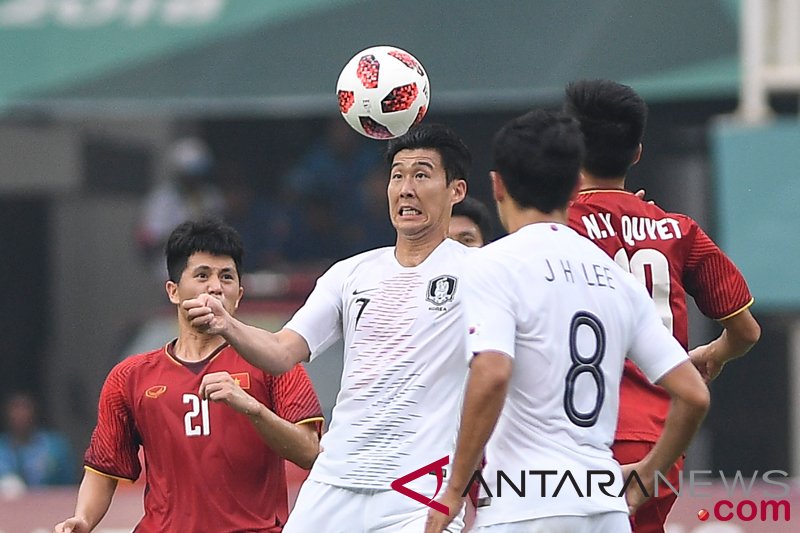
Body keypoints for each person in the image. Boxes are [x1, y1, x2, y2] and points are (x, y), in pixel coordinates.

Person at [424, 110, 710, 533]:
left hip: (525, 505)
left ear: (497, 184)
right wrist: (650, 472)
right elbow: (693, 394)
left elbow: (492, 373)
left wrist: (453, 489)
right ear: (576, 184)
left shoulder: (493, 265)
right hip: (603, 506)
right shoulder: (615, 278)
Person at [183, 124, 472, 532]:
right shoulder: (350, 273)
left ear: (456, 190)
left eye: (422, 175)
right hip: (335, 480)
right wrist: (227, 324)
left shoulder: (481, 273)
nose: (406, 189)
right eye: (397, 176)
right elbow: (282, 352)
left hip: (418, 489)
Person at [564, 79, 761, 532]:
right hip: (659, 441)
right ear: (637, 152)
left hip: (576, 435)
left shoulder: (553, 229)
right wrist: (712, 355)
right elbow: (746, 331)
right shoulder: (677, 231)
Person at [55, 219, 323, 533]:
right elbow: (105, 467)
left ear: (238, 294)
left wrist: (253, 408)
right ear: (173, 292)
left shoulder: (275, 363)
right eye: (202, 275)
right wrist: (83, 519)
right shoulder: (129, 377)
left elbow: (308, 453)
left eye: (226, 277)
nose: (215, 287)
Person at [137, 137, 226, 277]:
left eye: (198, 174)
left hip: (207, 270)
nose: (194, 179)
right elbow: (151, 240)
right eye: (190, 174)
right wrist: (187, 231)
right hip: (171, 270)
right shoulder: (162, 200)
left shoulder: (211, 197)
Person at [0, 391, 75, 488]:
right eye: (15, 408)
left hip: (51, 501)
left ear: (34, 410)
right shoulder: (2, 448)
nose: (20, 414)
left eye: (25, 408)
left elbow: (68, 485)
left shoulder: (55, 447)